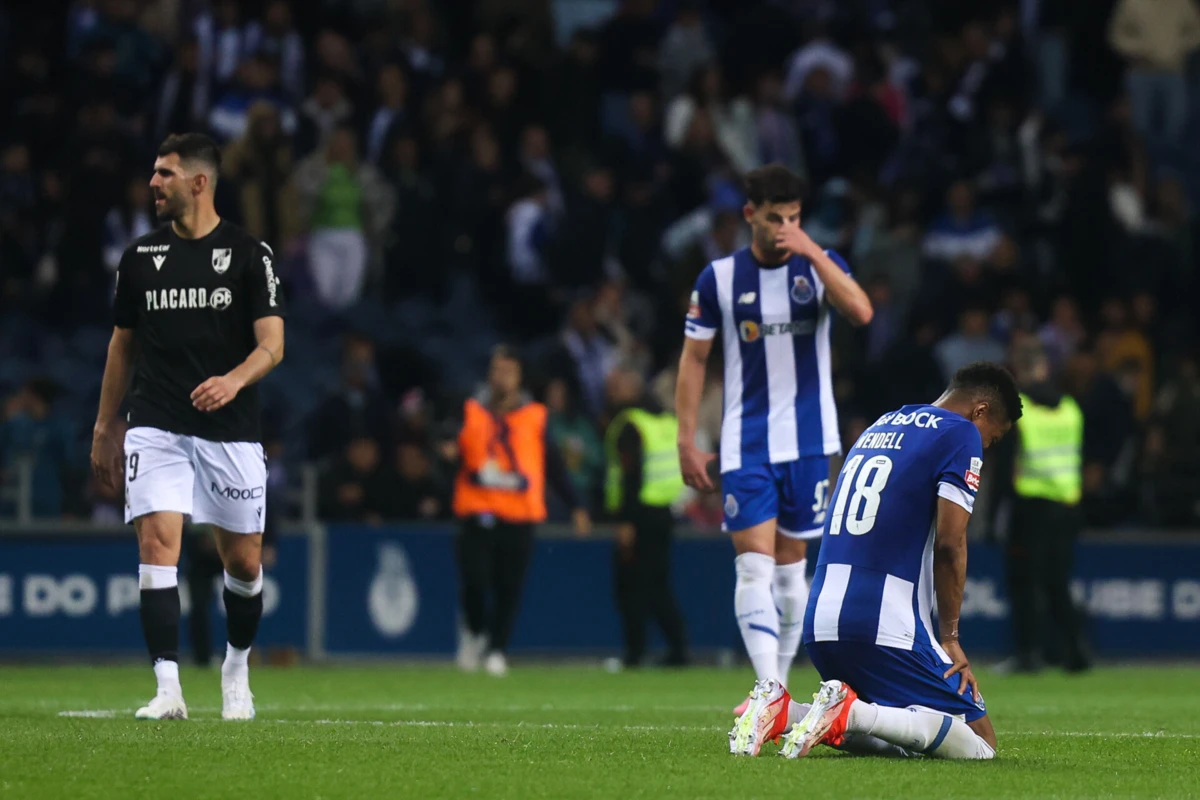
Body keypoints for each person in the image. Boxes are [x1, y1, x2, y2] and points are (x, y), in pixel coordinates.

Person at [727, 362, 1021, 760]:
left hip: (822, 622)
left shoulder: (881, 424)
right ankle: (850, 713)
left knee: (902, 734)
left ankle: (786, 713)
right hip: (883, 624)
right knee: (981, 744)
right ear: (981, 411)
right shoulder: (961, 432)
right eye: (994, 439)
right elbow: (951, 544)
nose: (986, 447)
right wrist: (949, 637)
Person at [90, 133, 286, 721]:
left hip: (229, 429)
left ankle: (234, 668)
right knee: (157, 546)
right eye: (154, 173)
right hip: (156, 423)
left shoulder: (252, 255)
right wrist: (106, 424)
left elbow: (273, 344)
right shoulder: (140, 260)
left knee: (244, 564)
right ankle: (168, 688)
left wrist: (233, 379)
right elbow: (121, 346)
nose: (153, 183)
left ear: (198, 183)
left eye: (164, 174)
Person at [675, 164, 872, 713]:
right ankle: (767, 685)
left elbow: (860, 311)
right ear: (749, 216)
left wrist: (813, 251)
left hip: (810, 443)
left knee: (791, 573)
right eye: (774, 218)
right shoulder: (718, 279)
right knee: (753, 566)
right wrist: (686, 440)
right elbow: (694, 359)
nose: (784, 227)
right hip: (748, 442)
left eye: (793, 217)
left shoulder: (818, 265)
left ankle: (777, 689)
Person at [452, 346, 592, 677]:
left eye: (507, 371)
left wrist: (576, 506)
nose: (500, 377)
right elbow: (452, 449)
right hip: (477, 509)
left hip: (519, 514)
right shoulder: (470, 410)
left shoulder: (535, 417)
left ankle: (496, 649)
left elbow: (554, 465)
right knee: (475, 579)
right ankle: (474, 631)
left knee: (508, 587)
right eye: (496, 369)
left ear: (519, 377)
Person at [991, 342, 1091, 673]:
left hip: (1030, 507)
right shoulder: (1071, 409)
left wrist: (993, 516)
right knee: (1058, 582)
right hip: (1066, 507)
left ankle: (1028, 654)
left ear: (1017, 372)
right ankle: (1075, 651)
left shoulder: (1021, 412)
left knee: (1024, 582)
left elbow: (1006, 469)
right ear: (1045, 369)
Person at [604, 365, 688, 668]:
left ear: (631, 389)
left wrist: (626, 521)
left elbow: (630, 474)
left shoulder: (630, 424)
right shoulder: (664, 420)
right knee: (658, 585)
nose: (609, 392)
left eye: (615, 386)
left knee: (631, 587)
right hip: (664, 513)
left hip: (638, 517)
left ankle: (634, 653)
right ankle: (678, 648)